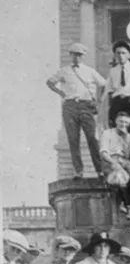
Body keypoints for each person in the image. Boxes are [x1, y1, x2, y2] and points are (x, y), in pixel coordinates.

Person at [47, 42, 109, 179]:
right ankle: (78, 171)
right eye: (74, 54)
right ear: (70, 55)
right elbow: (50, 82)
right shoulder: (64, 70)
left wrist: (99, 101)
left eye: (79, 55)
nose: (76, 57)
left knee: (92, 139)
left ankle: (100, 170)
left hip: (86, 106)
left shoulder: (90, 71)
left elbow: (105, 84)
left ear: (83, 56)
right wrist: (61, 93)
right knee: (73, 140)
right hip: (69, 106)